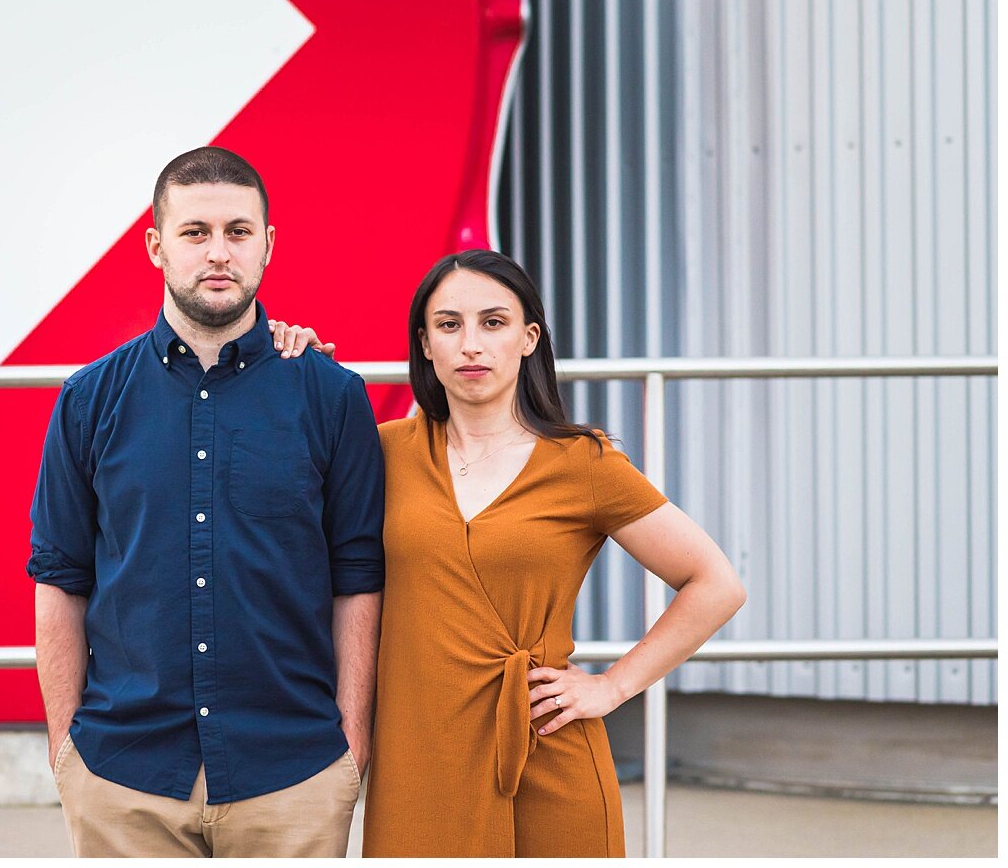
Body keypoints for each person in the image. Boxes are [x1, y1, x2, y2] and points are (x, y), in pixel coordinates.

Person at [274, 249, 745, 857]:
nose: (471, 344)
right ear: (425, 344)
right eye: (449, 325)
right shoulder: (378, 452)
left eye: (492, 323)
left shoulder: (585, 462)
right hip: (419, 761)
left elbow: (715, 582)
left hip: (548, 751)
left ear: (528, 339)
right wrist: (289, 363)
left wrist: (612, 687)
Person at [26, 146, 385, 858]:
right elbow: (60, 577)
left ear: (268, 246)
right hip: (123, 777)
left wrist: (351, 741)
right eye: (195, 233)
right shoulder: (89, 400)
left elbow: (358, 577)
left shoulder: (330, 396)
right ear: (157, 247)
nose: (218, 253)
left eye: (238, 232)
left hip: (295, 775)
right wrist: (67, 748)